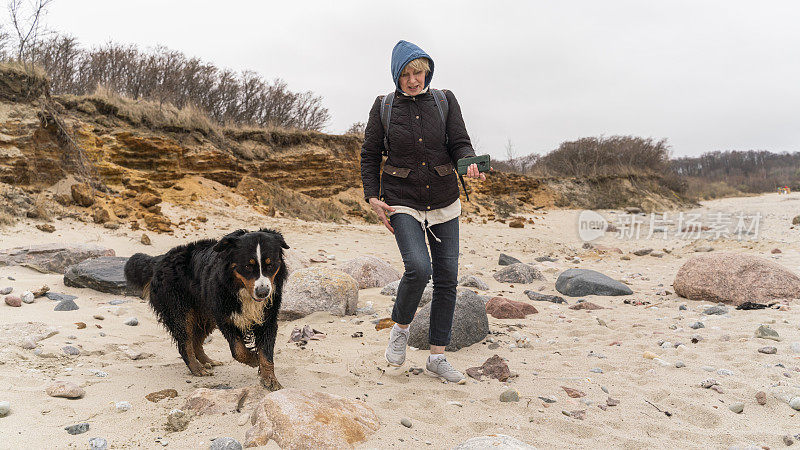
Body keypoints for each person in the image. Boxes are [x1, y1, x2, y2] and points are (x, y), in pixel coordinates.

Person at [360, 40, 485, 383]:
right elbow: (370, 154)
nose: (414, 80)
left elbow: (459, 143)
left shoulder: (445, 100)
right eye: (406, 74)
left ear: (428, 71)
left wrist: (469, 164)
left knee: (447, 281)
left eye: (419, 72)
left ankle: (437, 357)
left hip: (445, 199)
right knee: (418, 268)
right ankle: (400, 329)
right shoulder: (383, 106)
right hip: (401, 199)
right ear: (396, 75)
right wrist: (372, 196)